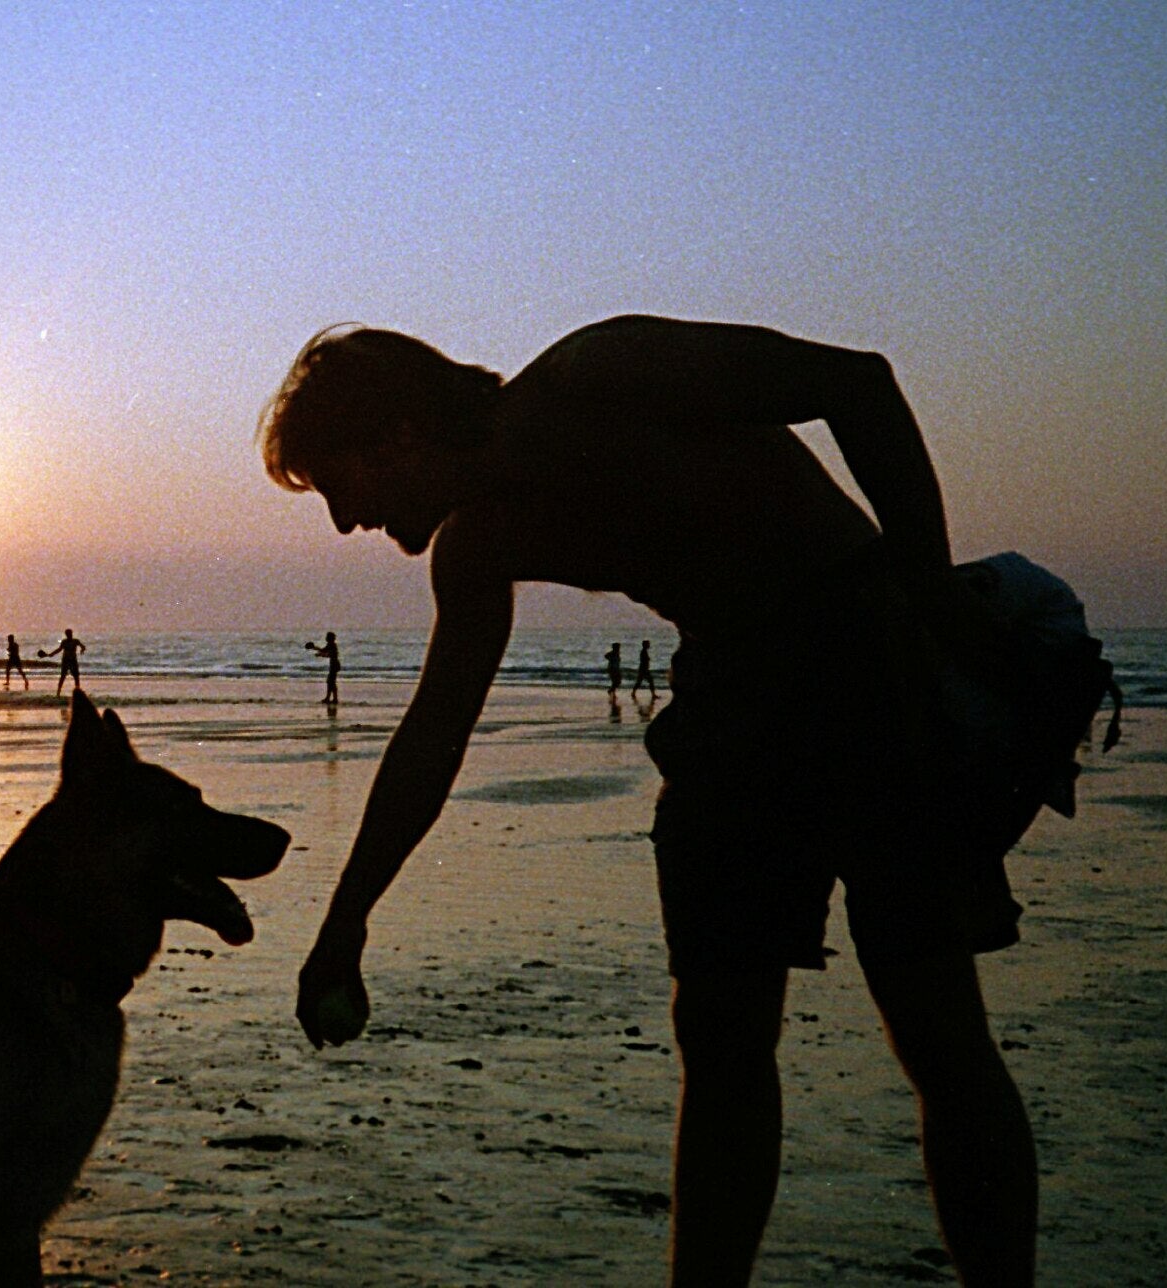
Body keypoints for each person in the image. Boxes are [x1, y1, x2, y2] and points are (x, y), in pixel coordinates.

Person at [260, 315, 1039, 1285]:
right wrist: (345, 922)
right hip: (727, 700)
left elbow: (859, 385)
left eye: (339, 485)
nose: (344, 521)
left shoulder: (603, 372)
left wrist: (930, 595)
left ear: (394, 436)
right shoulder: (476, 547)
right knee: (717, 1040)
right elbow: (432, 738)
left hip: (862, 652)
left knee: (933, 1025)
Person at [37, 628, 85, 694]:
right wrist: (52, 654)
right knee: (63, 676)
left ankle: (78, 692)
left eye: (70, 634)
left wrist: (82, 650)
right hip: (65, 660)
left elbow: (83, 646)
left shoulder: (76, 641)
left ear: (72, 634)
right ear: (66, 634)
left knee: (76, 677)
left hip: (73, 660)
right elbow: (59, 649)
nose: (69, 635)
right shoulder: (64, 642)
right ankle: (58, 692)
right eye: (68, 634)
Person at [305, 631, 343, 705]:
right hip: (334, 665)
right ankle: (330, 698)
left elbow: (325, 651)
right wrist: (320, 653)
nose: (326, 638)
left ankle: (333, 698)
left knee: (331, 682)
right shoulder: (332, 645)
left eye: (327, 637)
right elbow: (328, 653)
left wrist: (315, 649)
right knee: (330, 682)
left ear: (330, 638)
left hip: (334, 665)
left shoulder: (332, 645)